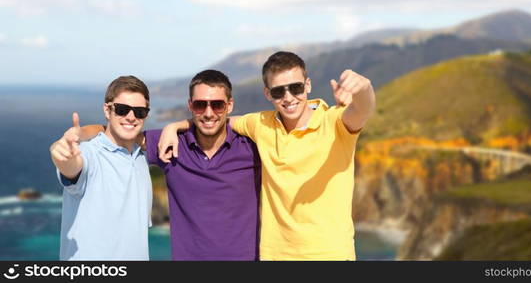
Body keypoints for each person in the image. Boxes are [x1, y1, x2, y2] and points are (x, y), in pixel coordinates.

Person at [159, 51, 376, 260]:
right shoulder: (261, 123)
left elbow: (362, 110)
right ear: (267, 94)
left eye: (296, 88)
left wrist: (363, 89)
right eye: (278, 91)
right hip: (275, 256)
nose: (288, 97)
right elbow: (215, 120)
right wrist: (175, 126)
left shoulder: (335, 122)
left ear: (307, 85)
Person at [79, 70, 261, 260]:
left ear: (229, 105)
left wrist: (176, 124)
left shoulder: (251, 146)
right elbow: (117, 131)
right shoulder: (171, 144)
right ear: (190, 105)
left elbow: (278, 123)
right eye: (200, 105)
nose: (208, 113)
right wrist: (79, 133)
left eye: (217, 105)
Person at [50, 75, 153, 260]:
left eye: (139, 111)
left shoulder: (141, 157)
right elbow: (74, 168)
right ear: (107, 110)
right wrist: (64, 157)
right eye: (122, 109)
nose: (131, 117)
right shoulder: (90, 153)